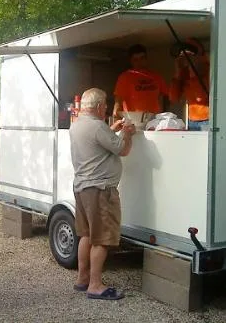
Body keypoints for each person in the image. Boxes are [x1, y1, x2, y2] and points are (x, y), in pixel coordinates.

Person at [69, 88, 135, 300]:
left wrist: (111, 130)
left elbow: (99, 141)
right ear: (98, 107)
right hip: (100, 190)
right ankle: (95, 285)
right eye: (105, 105)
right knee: (102, 239)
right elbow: (123, 149)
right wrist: (127, 132)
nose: (107, 108)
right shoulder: (97, 127)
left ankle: (83, 279)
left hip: (82, 187)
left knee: (86, 235)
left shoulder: (77, 124)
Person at [113, 44, 169, 119]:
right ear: (131, 61)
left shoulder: (157, 77)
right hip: (133, 120)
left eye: (142, 58)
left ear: (146, 59)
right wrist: (116, 117)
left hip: (154, 120)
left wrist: (162, 117)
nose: (139, 62)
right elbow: (118, 101)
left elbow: (162, 98)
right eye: (136, 59)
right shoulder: (125, 77)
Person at [169, 38, 210, 130]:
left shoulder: (208, 69)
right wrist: (178, 72)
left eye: (191, 51)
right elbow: (173, 99)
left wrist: (193, 69)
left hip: (207, 119)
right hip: (191, 119)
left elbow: (200, 97)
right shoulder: (184, 72)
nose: (187, 55)